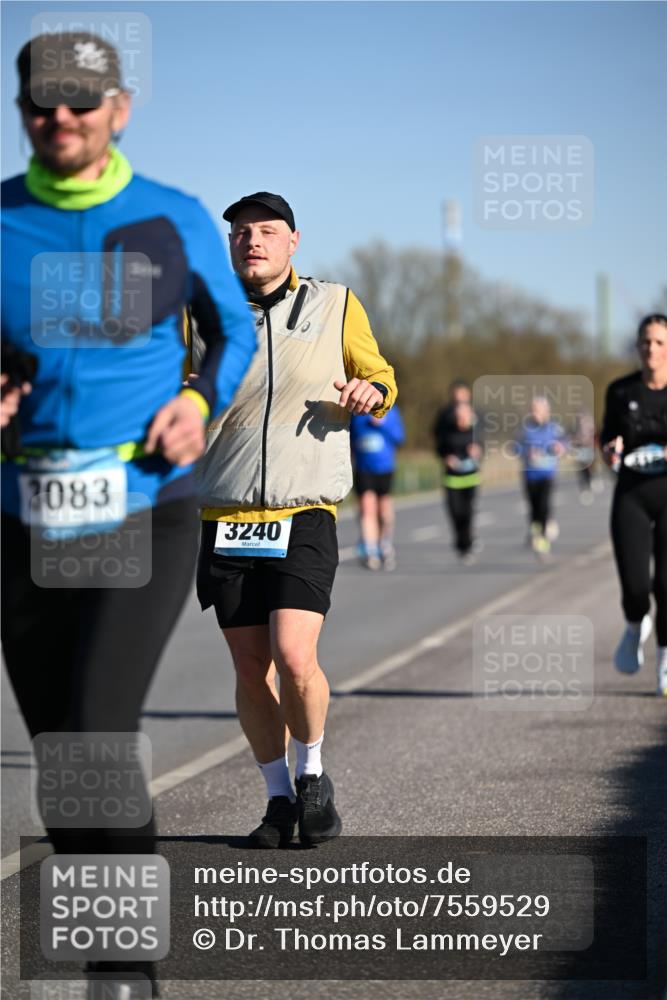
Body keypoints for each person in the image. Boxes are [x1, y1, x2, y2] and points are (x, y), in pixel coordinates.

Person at [1, 31, 256, 995]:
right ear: (23, 110)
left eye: (78, 100)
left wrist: (197, 401)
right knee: (61, 755)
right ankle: (123, 947)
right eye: (39, 102)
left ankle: (122, 969)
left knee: (100, 728)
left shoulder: (174, 218)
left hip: (142, 504)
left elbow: (232, 332)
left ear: (119, 108)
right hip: (19, 512)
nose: (58, 118)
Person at [195, 192, 397, 848]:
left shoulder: (335, 304)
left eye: (265, 231)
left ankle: (312, 776)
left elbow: (379, 375)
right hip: (224, 512)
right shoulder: (200, 312)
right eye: (240, 233)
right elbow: (164, 391)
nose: (250, 241)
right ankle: (278, 802)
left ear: (292, 241)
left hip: (303, 507)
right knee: (251, 670)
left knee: (293, 655)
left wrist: (371, 392)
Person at [600, 313, 667, 695]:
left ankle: (665, 659)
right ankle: (633, 622)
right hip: (632, 495)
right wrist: (611, 451)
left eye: (659, 342)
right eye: (645, 341)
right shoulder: (621, 391)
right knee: (637, 586)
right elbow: (607, 440)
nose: (651, 349)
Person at [350, 404, 405, 570]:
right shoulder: (355, 409)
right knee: (367, 510)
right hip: (363, 468)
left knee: (384, 511)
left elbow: (400, 437)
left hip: (385, 468)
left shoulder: (390, 409)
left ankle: (385, 544)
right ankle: (370, 550)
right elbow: (349, 437)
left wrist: (383, 423)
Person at [514, 396, 567, 557]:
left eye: (539, 410)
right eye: (533, 410)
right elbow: (516, 447)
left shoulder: (554, 428)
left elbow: (565, 443)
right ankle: (535, 530)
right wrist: (526, 452)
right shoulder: (525, 429)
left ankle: (543, 537)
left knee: (544, 505)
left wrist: (560, 448)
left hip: (547, 474)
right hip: (530, 474)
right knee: (533, 506)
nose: (536, 413)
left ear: (547, 411)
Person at [434, 399, 483, 564]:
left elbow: (483, 449)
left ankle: (466, 546)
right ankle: (459, 541)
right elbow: (439, 449)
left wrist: (478, 452)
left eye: (465, 416)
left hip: (470, 478)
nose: (462, 419)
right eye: (459, 416)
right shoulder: (448, 431)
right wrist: (446, 458)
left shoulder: (476, 433)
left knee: (467, 513)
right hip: (452, 479)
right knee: (455, 513)